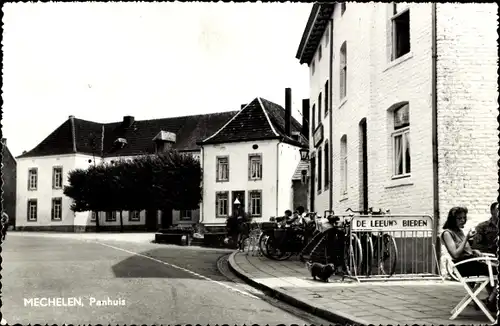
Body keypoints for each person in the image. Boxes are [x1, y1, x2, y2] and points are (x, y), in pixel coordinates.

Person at [441, 206, 497, 311]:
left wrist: (474, 251)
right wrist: (467, 237)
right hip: (463, 266)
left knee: (494, 271)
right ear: (452, 220)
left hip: (470, 262)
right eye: (459, 218)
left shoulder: (459, 231)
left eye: (464, 218)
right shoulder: (447, 233)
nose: (463, 221)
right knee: (496, 271)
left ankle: (492, 300)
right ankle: (491, 301)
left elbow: (465, 249)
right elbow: (455, 254)